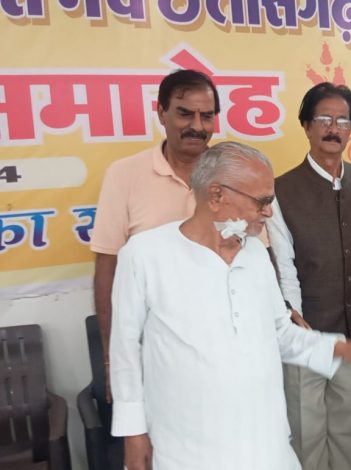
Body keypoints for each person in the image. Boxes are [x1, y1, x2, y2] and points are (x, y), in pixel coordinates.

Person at [109, 141, 351, 470]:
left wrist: (343, 350)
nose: (269, 212)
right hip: (185, 447)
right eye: (262, 201)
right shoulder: (144, 255)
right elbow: (125, 349)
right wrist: (133, 433)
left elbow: (280, 334)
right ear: (216, 196)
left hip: (265, 442)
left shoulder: (255, 254)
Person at [265, 82, 351, 470]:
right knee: (306, 442)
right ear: (306, 125)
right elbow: (285, 271)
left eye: (343, 120)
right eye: (323, 118)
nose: (333, 128)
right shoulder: (281, 189)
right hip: (305, 342)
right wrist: (302, 335)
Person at [91, 69, 218, 403]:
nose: (197, 126)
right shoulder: (124, 175)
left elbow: (262, 258)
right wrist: (113, 361)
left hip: (225, 347)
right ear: (162, 113)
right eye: (185, 113)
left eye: (207, 116)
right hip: (154, 352)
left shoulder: (232, 174)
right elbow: (107, 269)